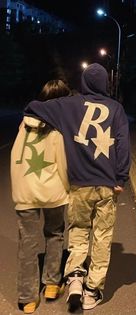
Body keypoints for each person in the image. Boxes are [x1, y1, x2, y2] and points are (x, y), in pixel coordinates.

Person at [23, 63, 131, 311]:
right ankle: (92, 290)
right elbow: (124, 146)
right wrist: (120, 178)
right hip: (106, 185)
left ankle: (74, 279)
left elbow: (32, 107)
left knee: (79, 231)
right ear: (105, 83)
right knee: (102, 237)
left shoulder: (68, 105)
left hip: (78, 184)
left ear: (83, 83)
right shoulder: (116, 109)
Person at [11, 79, 71, 314]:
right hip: (52, 191)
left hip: (23, 191)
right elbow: (63, 165)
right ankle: (52, 284)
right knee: (54, 234)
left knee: (27, 242)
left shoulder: (23, 125)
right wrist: (68, 189)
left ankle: (27, 298)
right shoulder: (57, 130)